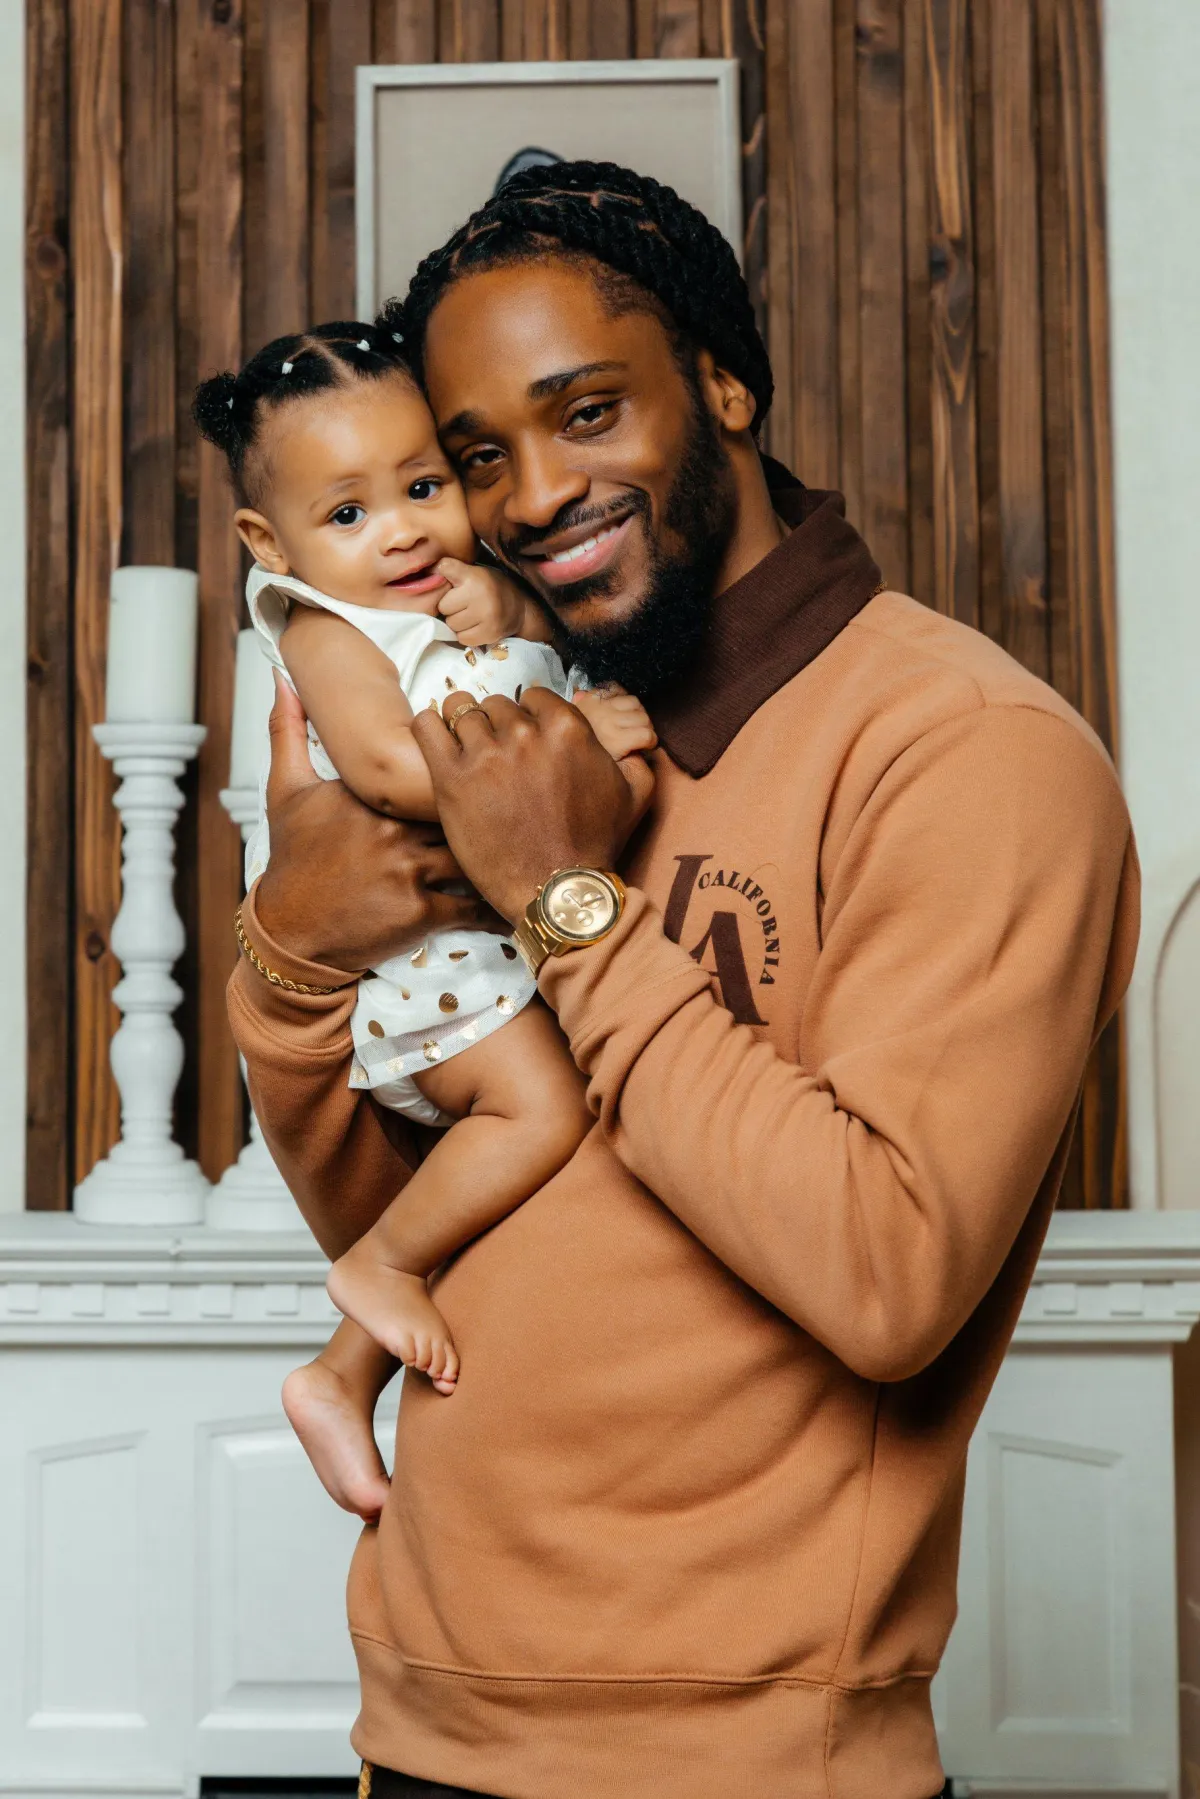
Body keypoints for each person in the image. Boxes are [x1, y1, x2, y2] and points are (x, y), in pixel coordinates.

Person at [229, 162, 1140, 1799]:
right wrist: (292, 955)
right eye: (479, 455)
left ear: (723, 380)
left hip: (751, 1763)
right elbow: (385, 1202)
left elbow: (886, 1275)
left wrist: (566, 902)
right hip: (418, 1730)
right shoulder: (514, 720)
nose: (533, 496)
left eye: (588, 412)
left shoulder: (968, 750)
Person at [194, 320, 654, 1522]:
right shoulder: (322, 627)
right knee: (543, 1109)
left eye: (422, 486)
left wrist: (518, 621)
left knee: (534, 1165)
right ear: (270, 541)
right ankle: (379, 1266)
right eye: (347, 513)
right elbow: (396, 774)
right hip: (429, 967)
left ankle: (341, 1374)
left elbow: (535, 684)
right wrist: (576, 773)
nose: (398, 528)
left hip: (496, 949)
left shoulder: (458, 599)